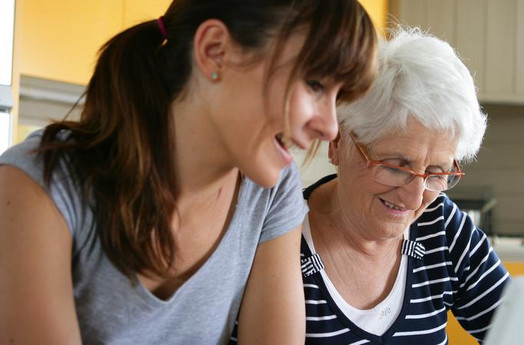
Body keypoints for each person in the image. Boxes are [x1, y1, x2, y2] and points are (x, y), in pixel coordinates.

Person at [0, 1, 377, 344]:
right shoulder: (38, 185)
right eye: (314, 84)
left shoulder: (273, 192)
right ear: (215, 51)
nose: (330, 128)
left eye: (338, 97)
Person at [299, 27, 510, 344]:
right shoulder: (281, 240)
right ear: (339, 141)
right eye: (396, 166)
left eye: (437, 172)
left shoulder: (440, 226)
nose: (415, 198)